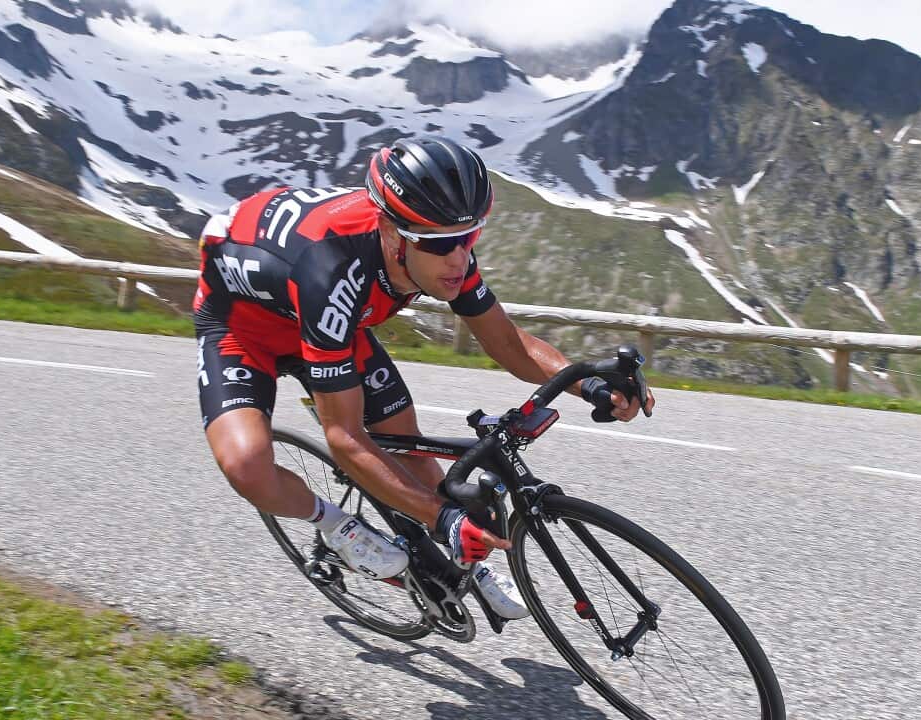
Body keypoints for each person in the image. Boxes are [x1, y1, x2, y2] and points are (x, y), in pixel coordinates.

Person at [193, 136, 654, 619]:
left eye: (470, 236)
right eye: (441, 243)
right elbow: (344, 438)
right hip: (244, 328)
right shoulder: (331, 272)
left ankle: (466, 567)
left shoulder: (440, 245)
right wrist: (444, 516)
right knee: (247, 465)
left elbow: (507, 343)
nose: (459, 257)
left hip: (332, 324)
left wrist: (590, 383)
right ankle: (337, 527)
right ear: (391, 233)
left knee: (407, 449)